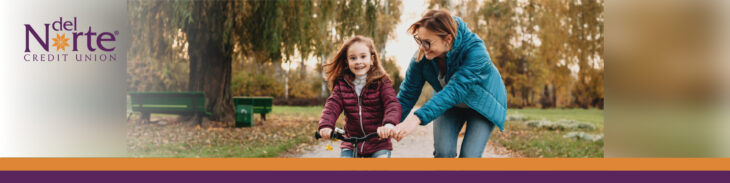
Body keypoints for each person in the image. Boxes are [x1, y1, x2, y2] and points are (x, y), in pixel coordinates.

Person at [393, 9, 508, 158]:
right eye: (419, 40)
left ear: (447, 39)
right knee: (443, 153)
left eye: (427, 42)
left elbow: (455, 90)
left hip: (481, 106)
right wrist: (388, 123)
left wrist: (416, 118)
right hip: (449, 105)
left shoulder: (476, 52)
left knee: (469, 157)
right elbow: (407, 94)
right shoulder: (422, 57)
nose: (422, 47)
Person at [318, 36, 402, 158]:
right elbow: (332, 106)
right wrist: (326, 125)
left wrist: (388, 125)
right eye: (353, 58)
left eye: (363, 56)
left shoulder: (382, 82)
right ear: (347, 61)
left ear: (372, 59)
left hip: (378, 143)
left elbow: (392, 104)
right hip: (351, 142)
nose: (358, 61)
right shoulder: (342, 84)